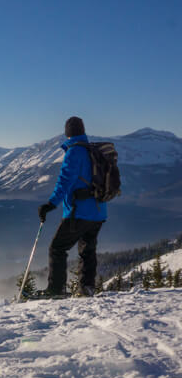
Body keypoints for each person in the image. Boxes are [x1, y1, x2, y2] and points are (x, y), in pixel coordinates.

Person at [37, 116, 107, 297]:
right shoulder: (93, 151)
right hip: (99, 211)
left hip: (79, 211)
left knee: (57, 248)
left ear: (67, 133)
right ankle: (87, 288)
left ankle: (56, 289)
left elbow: (64, 182)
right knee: (87, 250)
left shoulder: (74, 152)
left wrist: (50, 204)